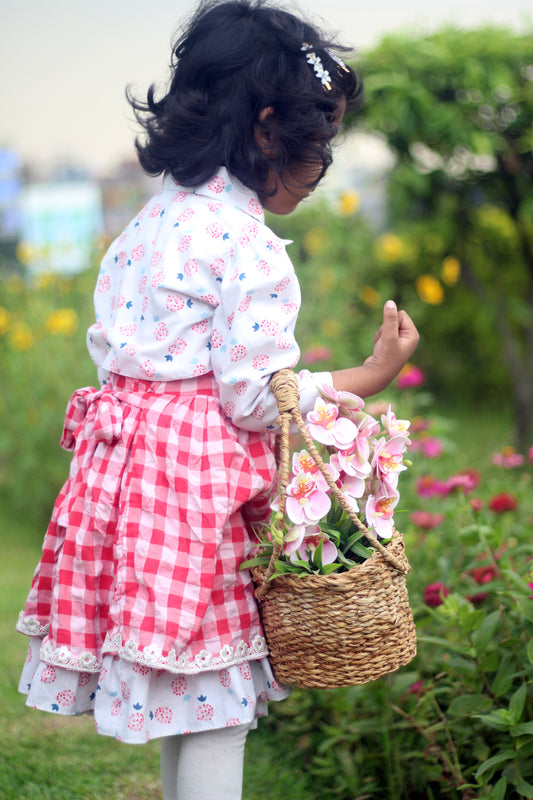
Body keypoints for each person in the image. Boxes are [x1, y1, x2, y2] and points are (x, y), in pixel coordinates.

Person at [17, 1, 419, 798]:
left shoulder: (151, 221)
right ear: (269, 131)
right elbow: (252, 397)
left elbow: (122, 359)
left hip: (129, 481)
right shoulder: (247, 247)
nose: (323, 161)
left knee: (190, 700)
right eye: (320, 139)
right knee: (218, 707)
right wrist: (362, 380)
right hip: (192, 498)